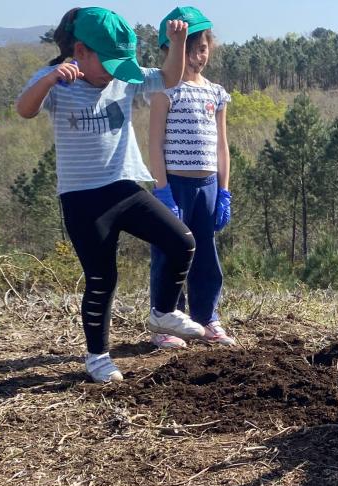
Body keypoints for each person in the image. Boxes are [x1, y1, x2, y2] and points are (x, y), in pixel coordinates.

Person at [16, 7, 206, 383]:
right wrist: (51, 79)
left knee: (182, 241)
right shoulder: (59, 81)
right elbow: (24, 109)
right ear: (81, 51)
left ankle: (162, 312)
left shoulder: (124, 78)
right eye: (108, 64)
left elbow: (169, 77)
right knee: (102, 278)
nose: (114, 73)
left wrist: (180, 42)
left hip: (123, 188)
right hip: (82, 199)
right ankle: (98, 356)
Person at [148, 6, 235, 349]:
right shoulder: (163, 90)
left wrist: (224, 192)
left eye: (201, 48)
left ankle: (207, 317)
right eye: (187, 49)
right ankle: (164, 320)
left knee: (205, 253)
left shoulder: (216, 92)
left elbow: (222, 147)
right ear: (170, 50)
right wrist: (162, 191)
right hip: (175, 185)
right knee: (168, 254)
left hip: (208, 185)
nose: (196, 57)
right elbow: (154, 143)